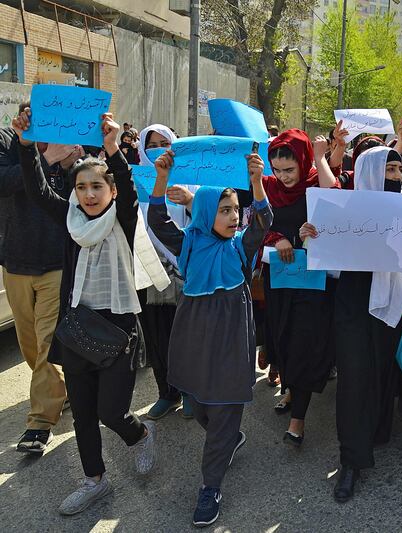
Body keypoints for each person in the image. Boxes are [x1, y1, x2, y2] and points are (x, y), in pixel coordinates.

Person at [13, 109, 168, 515]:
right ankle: (94, 480)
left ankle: (140, 434)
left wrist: (114, 148)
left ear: (111, 190)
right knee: (83, 414)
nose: (88, 193)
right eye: (81, 187)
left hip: (118, 327)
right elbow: (36, 191)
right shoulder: (70, 220)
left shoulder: (125, 215)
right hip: (79, 327)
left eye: (97, 185)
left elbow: (131, 188)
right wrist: (27, 146)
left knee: (110, 411)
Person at [299, 146, 402, 502]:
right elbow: (329, 263)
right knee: (355, 377)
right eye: (388, 170)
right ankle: (351, 460)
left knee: (381, 371)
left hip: (393, 302)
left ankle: (377, 432)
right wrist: (312, 238)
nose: (396, 177)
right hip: (352, 303)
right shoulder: (342, 210)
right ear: (368, 172)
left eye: (398, 170)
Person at [148, 148, 272, 527]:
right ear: (205, 213)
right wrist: (163, 176)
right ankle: (229, 436)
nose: (234, 217)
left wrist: (255, 182)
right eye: (224, 210)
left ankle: (210, 487)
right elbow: (156, 218)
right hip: (194, 336)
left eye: (235, 209)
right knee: (198, 407)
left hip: (231, 339)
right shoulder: (187, 243)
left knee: (222, 409)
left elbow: (263, 220)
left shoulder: (240, 248)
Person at [0, 107, 83, 456]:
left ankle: (39, 423)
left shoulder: (71, 144)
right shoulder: (5, 141)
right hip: (16, 261)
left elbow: (86, 193)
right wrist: (45, 156)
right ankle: (56, 391)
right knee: (30, 343)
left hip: (56, 262)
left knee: (47, 340)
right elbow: (4, 184)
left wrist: (67, 163)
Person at [260, 129, 339, 446]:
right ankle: (291, 388)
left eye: (289, 169)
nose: (283, 177)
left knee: (305, 343)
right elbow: (256, 222)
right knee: (283, 338)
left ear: (303, 160)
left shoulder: (315, 183)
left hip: (313, 282)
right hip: (279, 280)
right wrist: (275, 238)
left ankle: (299, 420)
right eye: (277, 169)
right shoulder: (267, 187)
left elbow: (333, 198)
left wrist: (321, 157)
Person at [136, 124, 197, 420]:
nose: (159, 148)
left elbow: (201, 220)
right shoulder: (136, 179)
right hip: (147, 271)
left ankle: (189, 392)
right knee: (156, 336)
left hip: (181, 270)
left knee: (182, 335)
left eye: (165, 143)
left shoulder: (190, 180)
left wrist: (188, 200)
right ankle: (166, 393)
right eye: (152, 144)